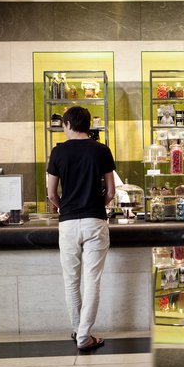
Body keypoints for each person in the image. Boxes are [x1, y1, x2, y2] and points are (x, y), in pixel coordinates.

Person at [47, 106, 116, 352]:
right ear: (89, 125)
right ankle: (83, 335)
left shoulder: (58, 153)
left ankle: (79, 330)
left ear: (67, 124)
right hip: (95, 222)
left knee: (71, 281)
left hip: (67, 223)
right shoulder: (102, 150)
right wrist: (97, 205)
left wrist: (62, 206)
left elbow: (51, 193)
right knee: (92, 282)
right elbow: (110, 192)